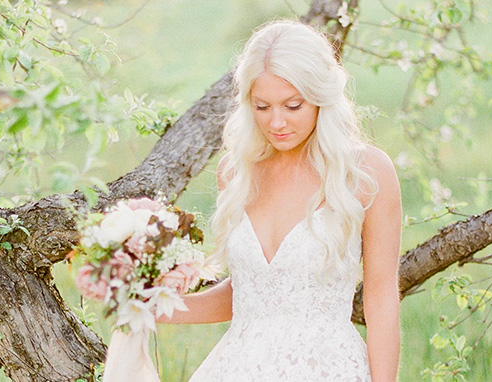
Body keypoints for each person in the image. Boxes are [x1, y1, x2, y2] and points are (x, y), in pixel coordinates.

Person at [158, 19, 402, 381]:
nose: (277, 123)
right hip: (237, 367)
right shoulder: (237, 172)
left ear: (320, 98)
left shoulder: (366, 172)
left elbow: (381, 297)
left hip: (326, 368)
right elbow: (251, 295)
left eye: (292, 106)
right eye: (262, 107)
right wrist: (158, 307)